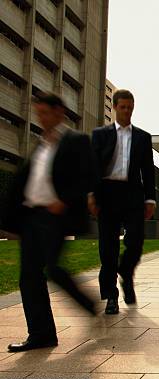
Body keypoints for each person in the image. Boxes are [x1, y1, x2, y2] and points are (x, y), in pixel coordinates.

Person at [2, 93, 96, 352]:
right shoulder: (41, 143)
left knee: (53, 269)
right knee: (29, 277)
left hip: (55, 216)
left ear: (59, 112)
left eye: (44, 113)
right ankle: (41, 334)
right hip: (31, 217)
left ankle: (89, 306)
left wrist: (64, 200)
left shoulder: (76, 141)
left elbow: (87, 176)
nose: (40, 118)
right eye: (38, 113)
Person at [89, 89, 156, 315]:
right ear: (115, 107)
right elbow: (93, 167)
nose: (127, 111)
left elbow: (148, 171)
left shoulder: (143, 138)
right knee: (108, 248)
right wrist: (92, 194)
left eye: (130, 107)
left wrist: (150, 199)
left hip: (132, 194)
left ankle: (125, 273)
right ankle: (110, 297)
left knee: (136, 241)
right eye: (123, 107)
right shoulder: (100, 135)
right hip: (107, 193)